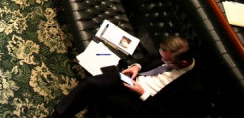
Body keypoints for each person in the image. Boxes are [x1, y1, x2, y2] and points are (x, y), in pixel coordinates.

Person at [47, 35, 201, 118]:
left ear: (183, 63)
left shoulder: (192, 87)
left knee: (101, 98)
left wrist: (143, 94)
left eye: (165, 60)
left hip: (144, 104)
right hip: (132, 80)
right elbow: (151, 57)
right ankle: (58, 115)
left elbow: (167, 114)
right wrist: (137, 66)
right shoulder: (170, 52)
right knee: (92, 84)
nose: (161, 60)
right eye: (161, 55)